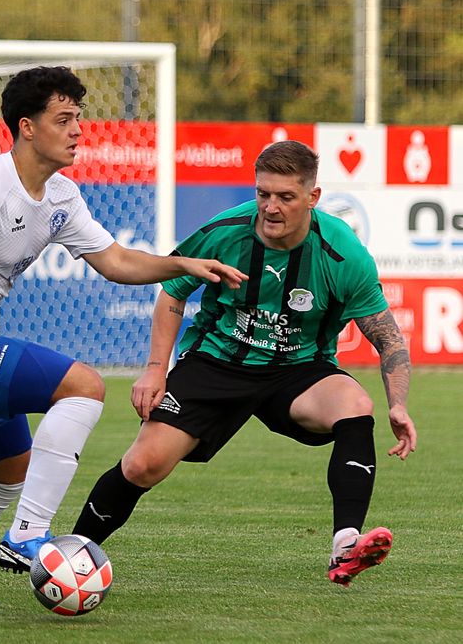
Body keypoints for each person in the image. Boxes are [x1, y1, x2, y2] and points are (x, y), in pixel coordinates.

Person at [0, 66, 248, 605]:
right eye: (64, 119)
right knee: (85, 385)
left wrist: (184, 264)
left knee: (8, 472)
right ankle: (28, 536)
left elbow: (115, 260)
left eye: (79, 118)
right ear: (27, 127)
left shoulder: (62, 196)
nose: (78, 130)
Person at [71, 140, 418, 587]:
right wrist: (156, 368)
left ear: (312, 197)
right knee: (144, 465)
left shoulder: (342, 253)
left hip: (297, 369)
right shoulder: (226, 230)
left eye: (285, 197)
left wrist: (399, 403)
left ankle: (346, 543)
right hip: (217, 360)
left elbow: (387, 337)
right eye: (263, 194)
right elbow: (173, 290)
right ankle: (71, 554)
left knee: (354, 403)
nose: (271, 207)